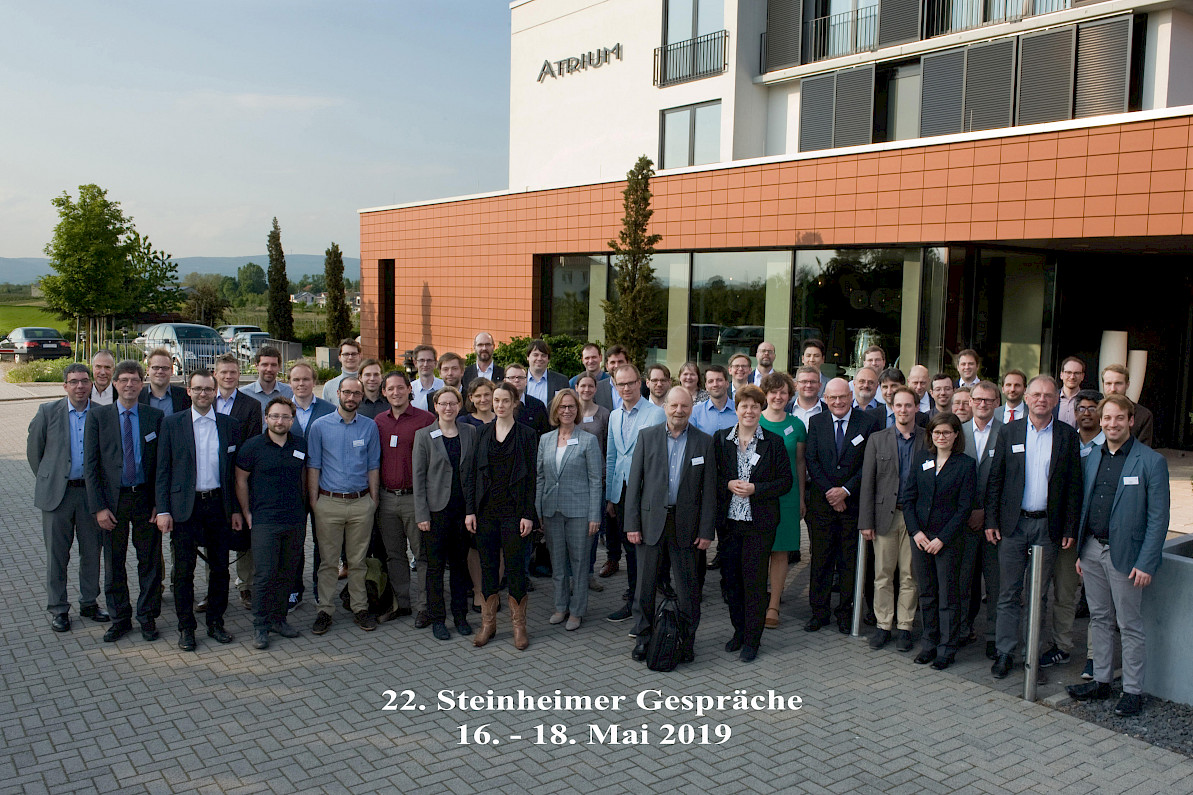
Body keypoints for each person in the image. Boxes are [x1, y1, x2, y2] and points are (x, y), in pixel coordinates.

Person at [1066, 394, 1170, 717]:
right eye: (1107, 418)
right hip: (1092, 550)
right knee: (1099, 618)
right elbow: (1086, 505)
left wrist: (1146, 561)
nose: (1112, 424)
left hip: (1128, 556)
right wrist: (1082, 552)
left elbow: (1159, 518)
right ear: (1101, 421)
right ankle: (1101, 681)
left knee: (1129, 624)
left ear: (1130, 420)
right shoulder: (1093, 456)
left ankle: (1133, 691)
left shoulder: (1151, 461)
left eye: (1119, 418)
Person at [985, 375, 1082, 679]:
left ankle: (1032, 657)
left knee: (1038, 596)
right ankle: (1005, 652)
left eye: (1048, 395)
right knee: (1008, 592)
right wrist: (991, 520)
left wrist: (1069, 528)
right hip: (1013, 525)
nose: (1042, 399)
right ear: (1026, 398)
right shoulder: (1009, 431)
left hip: (1047, 527)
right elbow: (996, 479)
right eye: (1036, 394)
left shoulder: (1067, 435)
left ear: (1056, 400)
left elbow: (1073, 486)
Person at [154, 369, 243, 651]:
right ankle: (186, 627)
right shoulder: (172, 423)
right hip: (184, 507)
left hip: (218, 505)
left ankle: (216, 622)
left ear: (215, 392)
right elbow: (162, 470)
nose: (203, 393)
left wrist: (236, 510)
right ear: (189, 391)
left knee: (220, 569)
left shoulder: (230, 425)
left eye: (208, 389)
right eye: (198, 389)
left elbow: (234, 474)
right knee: (184, 571)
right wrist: (163, 510)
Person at [627, 387, 716, 662]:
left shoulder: (704, 442)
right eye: (674, 405)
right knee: (645, 586)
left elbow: (709, 491)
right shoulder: (647, 437)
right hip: (650, 523)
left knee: (688, 588)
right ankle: (643, 638)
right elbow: (635, 483)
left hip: (687, 525)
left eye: (685, 406)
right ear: (665, 407)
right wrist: (632, 524)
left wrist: (706, 530)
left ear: (691, 409)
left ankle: (686, 641)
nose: (679, 411)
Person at [84, 359, 163, 643]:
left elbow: (161, 465)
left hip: (145, 500)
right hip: (113, 503)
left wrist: (160, 504)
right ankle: (120, 618)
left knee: (150, 562)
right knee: (114, 562)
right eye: (124, 380)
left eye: (135, 380)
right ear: (115, 384)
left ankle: (148, 617)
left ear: (142, 384)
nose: (129, 385)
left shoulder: (154, 416)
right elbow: (91, 465)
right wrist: (99, 507)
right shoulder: (98, 417)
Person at [713, 385, 793, 662]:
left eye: (754, 406)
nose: (749, 411)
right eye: (744, 406)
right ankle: (738, 631)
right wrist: (727, 484)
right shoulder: (721, 440)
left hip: (759, 524)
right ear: (736, 409)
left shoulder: (774, 442)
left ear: (761, 409)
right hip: (729, 524)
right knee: (731, 582)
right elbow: (712, 478)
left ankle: (752, 639)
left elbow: (785, 482)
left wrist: (756, 489)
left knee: (754, 582)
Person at [28, 363, 107, 633]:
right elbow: (34, 451)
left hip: (90, 495)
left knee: (91, 552)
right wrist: (50, 479)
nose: (80, 386)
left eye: (84, 381)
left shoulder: (101, 413)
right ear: (65, 386)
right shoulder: (48, 412)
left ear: (91, 384)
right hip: (57, 497)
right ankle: (58, 608)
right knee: (57, 556)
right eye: (74, 382)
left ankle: (89, 603)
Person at [465, 381, 538, 650]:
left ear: (515, 402)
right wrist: (470, 511)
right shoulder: (482, 432)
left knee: (516, 569)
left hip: (514, 513)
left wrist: (528, 514)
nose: (500, 405)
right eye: (496, 400)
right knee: (488, 568)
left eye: (505, 400)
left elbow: (531, 478)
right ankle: (489, 624)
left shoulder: (527, 434)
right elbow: (472, 474)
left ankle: (519, 626)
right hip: (486, 512)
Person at [307, 376, 381, 636]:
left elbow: (373, 466)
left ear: (362, 396)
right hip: (329, 503)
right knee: (328, 562)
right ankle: (325, 610)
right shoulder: (320, 426)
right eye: (347, 392)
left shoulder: (369, 427)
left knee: (358, 561)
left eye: (356, 394)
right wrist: (315, 502)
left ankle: (360, 607)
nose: (351, 398)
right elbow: (313, 466)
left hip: (361, 503)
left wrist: (373, 501)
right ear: (337, 393)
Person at [804, 377, 880, 633]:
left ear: (851, 396)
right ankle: (819, 612)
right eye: (832, 397)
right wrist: (831, 493)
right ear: (825, 399)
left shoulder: (867, 423)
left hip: (853, 504)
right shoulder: (817, 422)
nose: (838, 402)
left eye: (842, 397)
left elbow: (869, 463)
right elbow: (812, 460)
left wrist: (845, 491)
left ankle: (845, 613)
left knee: (849, 562)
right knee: (821, 560)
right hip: (822, 505)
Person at [902, 413, 977, 669]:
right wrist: (916, 532)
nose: (941, 437)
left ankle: (947, 648)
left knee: (948, 596)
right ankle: (929, 644)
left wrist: (942, 538)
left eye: (946, 432)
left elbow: (964, 508)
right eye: (936, 432)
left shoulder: (965, 465)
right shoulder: (921, 458)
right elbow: (908, 498)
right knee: (927, 594)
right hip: (921, 538)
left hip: (948, 541)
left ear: (956, 435)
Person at [1040, 389, 1105, 671]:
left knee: (1098, 602)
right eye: (1081, 408)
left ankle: (1096, 657)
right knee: (1065, 594)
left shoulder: (1110, 446)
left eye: (1092, 408)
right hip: (1065, 531)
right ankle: (1062, 646)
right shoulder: (1065, 440)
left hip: (1095, 535)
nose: (1086, 413)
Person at [235, 396, 306, 650]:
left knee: (287, 572)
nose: (280, 421)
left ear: (292, 420)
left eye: (285, 416)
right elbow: (241, 480)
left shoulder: (300, 445)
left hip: (294, 519)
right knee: (265, 575)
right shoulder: (252, 447)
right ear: (266, 418)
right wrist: (246, 511)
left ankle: (279, 619)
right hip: (265, 520)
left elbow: (305, 477)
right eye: (275, 416)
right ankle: (260, 625)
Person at [859, 386, 924, 652]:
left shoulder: (928, 438)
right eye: (898, 405)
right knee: (882, 574)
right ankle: (883, 625)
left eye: (908, 405)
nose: (903, 410)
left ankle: (905, 626)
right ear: (892, 408)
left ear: (916, 408)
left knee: (910, 575)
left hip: (916, 518)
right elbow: (868, 482)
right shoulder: (878, 439)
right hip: (885, 516)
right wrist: (866, 521)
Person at [536, 389, 603, 631]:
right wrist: (538, 511)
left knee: (580, 563)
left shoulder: (588, 440)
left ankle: (577, 611)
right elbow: (540, 477)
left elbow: (595, 480)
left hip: (580, 512)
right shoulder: (545, 439)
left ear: (577, 410)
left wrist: (595, 515)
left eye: (571, 407)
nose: (566, 411)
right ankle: (560, 606)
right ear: (555, 410)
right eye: (562, 407)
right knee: (557, 563)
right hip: (551, 511)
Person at [413, 385, 476, 640]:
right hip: (435, 512)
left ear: (459, 406)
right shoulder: (423, 435)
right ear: (435, 407)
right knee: (435, 568)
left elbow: (472, 473)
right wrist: (422, 514)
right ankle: (438, 619)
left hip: (462, 512)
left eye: (453, 403)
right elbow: (418, 478)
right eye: (443, 403)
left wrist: (472, 510)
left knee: (460, 567)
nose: (448, 408)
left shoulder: (470, 432)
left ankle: (460, 616)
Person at [603, 364, 665, 616]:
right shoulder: (614, 416)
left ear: (640, 382)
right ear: (615, 386)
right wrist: (610, 496)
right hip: (621, 492)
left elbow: (659, 460)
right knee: (629, 549)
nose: (626, 388)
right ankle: (633, 598)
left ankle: (644, 601)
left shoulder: (656, 414)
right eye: (621, 384)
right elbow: (612, 457)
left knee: (645, 550)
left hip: (645, 492)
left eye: (630, 383)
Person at [375, 369, 436, 626]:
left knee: (422, 555)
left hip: (415, 499)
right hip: (387, 499)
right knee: (394, 555)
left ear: (410, 389)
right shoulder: (379, 421)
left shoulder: (426, 419)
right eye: (390, 388)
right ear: (384, 392)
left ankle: (425, 607)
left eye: (400, 387)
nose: (396, 392)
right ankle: (402, 604)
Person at [284, 359, 335, 611]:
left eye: (306, 379)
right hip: (291, 488)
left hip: (322, 485)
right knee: (294, 542)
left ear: (314, 382)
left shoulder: (329, 409)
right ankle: (293, 590)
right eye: (296, 379)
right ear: (289, 383)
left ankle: (319, 588)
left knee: (321, 542)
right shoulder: (281, 410)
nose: (301, 383)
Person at [213, 352, 263, 608]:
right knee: (213, 538)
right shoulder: (204, 399)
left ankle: (246, 585)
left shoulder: (251, 405)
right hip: (211, 479)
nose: (228, 376)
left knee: (244, 535)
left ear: (239, 374)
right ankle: (212, 589)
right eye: (224, 372)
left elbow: (252, 443)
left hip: (240, 477)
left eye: (233, 372)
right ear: (215, 374)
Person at [758, 372, 806, 628]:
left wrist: (801, 498)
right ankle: (756, 600)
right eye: (773, 392)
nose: (778, 396)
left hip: (787, 496)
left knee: (780, 551)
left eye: (783, 392)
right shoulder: (753, 419)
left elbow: (799, 463)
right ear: (765, 394)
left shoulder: (796, 426)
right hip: (758, 496)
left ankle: (773, 605)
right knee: (758, 550)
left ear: (789, 396)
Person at [961, 380, 1004, 660]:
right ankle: (962, 629)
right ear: (970, 401)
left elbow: (1010, 481)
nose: (983, 404)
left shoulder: (1008, 433)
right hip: (963, 522)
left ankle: (994, 637)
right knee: (963, 581)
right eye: (978, 399)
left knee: (996, 584)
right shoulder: (958, 431)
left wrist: (987, 513)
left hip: (994, 524)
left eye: (988, 400)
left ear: (997, 403)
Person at [574, 372, 611, 594]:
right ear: (576, 387)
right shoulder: (569, 412)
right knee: (574, 531)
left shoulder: (604, 414)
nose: (586, 390)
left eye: (590, 386)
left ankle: (588, 574)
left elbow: (607, 446)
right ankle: (573, 576)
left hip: (597, 478)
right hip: (574, 479)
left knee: (593, 530)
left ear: (595, 389)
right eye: (583, 386)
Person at [1100, 364, 1155, 446]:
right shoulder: (1093, 412)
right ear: (1103, 385)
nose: (1113, 389)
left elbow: (1143, 450)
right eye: (1108, 383)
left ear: (1127, 385)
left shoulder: (1143, 415)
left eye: (1118, 383)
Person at [140, 348, 191, 416]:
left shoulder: (185, 396)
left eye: (165, 368)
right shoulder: (138, 397)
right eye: (156, 367)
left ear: (172, 371)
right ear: (148, 370)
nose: (160, 371)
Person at [503, 362, 549, 436]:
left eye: (520, 377)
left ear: (526, 381)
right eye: (512, 377)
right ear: (504, 381)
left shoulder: (538, 406)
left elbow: (545, 434)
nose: (516, 380)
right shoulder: (496, 405)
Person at [690, 364, 735, 435]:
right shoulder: (695, 412)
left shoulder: (739, 410)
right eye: (711, 381)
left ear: (727, 383)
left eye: (719, 380)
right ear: (706, 386)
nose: (715, 384)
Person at [525, 338, 570, 407]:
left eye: (543, 355)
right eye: (535, 355)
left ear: (548, 359)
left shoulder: (561, 381)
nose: (539, 358)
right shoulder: (518, 379)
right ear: (528, 357)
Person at [322, 338, 363, 406]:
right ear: (339, 358)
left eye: (354, 354)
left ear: (360, 356)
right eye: (346, 354)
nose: (350, 357)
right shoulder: (329, 387)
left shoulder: (367, 384)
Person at [593, 346, 633, 410]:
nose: (616, 366)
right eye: (612, 362)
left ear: (628, 363)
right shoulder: (597, 389)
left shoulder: (640, 387)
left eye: (620, 362)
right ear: (607, 366)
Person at [409, 344, 444, 411]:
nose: (425, 364)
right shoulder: (409, 390)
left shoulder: (444, 387)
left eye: (429, 360)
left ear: (435, 363)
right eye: (422, 360)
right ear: (415, 363)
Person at [1056, 356, 1086, 427]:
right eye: (1068, 372)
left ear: (1082, 376)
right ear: (1061, 375)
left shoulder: (1088, 400)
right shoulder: (1051, 398)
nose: (1072, 377)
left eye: (1077, 373)